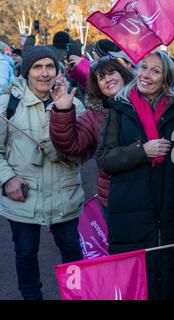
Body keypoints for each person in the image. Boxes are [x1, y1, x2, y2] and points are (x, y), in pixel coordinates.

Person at [96, 50, 174, 300]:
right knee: (136, 287)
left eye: (155, 71)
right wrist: (142, 151)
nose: (145, 75)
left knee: (173, 283)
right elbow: (105, 159)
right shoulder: (120, 108)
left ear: (166, 80)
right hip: (130, 211)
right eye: (143, 67)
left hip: (171, 210)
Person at [0, 46, 85, 300]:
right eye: (37, 67)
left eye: (50, 66)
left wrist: (63, 114)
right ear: (27, 72)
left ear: (57, 70)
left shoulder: (74, 104)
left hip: (64, 194)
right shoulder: (7, 105)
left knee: (71, 250)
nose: (45, 73)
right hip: (23, 197)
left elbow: (80, 152)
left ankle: (76, 295)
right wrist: (7, 179)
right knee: (25, 253)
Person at [50, 56, 134, 215]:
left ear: (123, 74)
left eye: (111, 73)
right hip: (114, 196)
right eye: (101, 78)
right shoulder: (94, 114)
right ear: (98, 86)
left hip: (150, 193)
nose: (108, 79)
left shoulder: (146, 100)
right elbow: (70, 145)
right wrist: (62, 112)